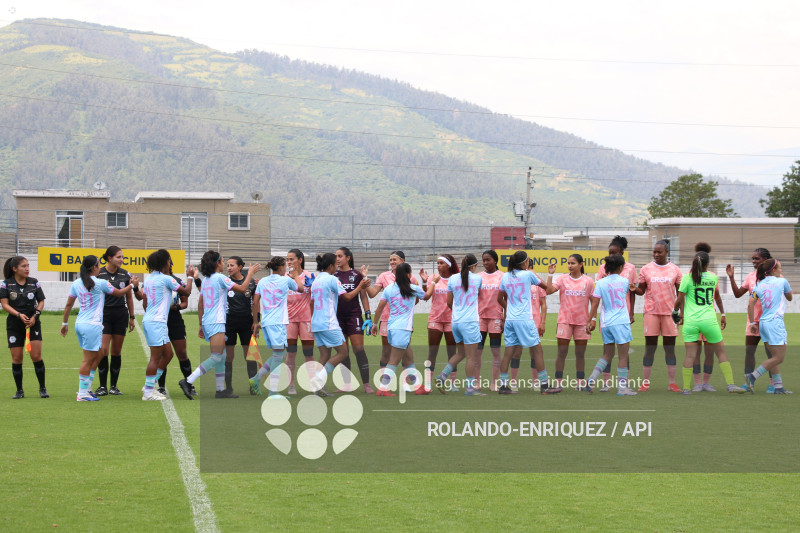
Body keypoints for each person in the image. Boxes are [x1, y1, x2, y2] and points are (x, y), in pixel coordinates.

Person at [178, 251, 260, 400]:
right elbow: (242, 289)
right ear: (217, 263)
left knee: (221, 356)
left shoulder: (207, 279)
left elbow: (201, 303)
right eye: (223, 261)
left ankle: (221, 390)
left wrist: (201, 325)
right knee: (216, 357)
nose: (224, 265)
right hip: (217, 321)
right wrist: (251, 273)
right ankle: (188, 381)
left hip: (209, 321)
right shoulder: (220, 278)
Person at [60, 255, 138, 402]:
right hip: (92, 325)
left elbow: (69, 305)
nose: (99, 267)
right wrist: (132, 285)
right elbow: (120, 293)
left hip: (80, 323)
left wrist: (64, 324)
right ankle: (82, 393)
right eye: (98, 265)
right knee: (88, 360)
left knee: (99, 353)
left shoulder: (76, 283)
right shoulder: (101, 283)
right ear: (94, 267)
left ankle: (87, 388)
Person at [673, 251, 745, 395]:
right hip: (709, 321)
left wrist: (675, 313)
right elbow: (716, 296)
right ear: (707, 264)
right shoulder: (713, 277)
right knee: (721, 353)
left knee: (690, 356)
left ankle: (687, 388)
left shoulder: (687, 278)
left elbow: (679, 300)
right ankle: (731, 385)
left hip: (691, 322)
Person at [497, 251, 560, 395]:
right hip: (524, 319)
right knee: (537, 350)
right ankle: (544, 386)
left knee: (508, 353)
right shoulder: (528, 274)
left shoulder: (505, 276)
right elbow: (548, 289)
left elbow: (499, 299)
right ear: (525, 263)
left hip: (510, 320)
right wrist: (550, 274)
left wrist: (509, 308)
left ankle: (503, 386)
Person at [371, 263, 436, 397]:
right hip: (403, 329)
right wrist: (433, 282)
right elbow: (427, 296)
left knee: (409, 359)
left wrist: (374, 324)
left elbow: (379, 307)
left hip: (391, 328)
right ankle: (383, 388)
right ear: (408, 274)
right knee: (394, 360)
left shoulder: (389, 289)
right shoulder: (413, 288)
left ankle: (417, 386)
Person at [309, 253, 370, 395]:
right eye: (335, 264)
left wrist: (314, 319)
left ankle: (317, 387)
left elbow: (311, 303)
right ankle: (318, 379)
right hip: (328, 323)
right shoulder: (332, 279)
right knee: (343, 352)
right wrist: (360, 285)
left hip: (316, 323)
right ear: (331, 266)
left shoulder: (316, 281)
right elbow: (348, 296)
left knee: (324, 354)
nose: (337, 266)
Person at [139, 250, 195, 400]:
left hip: (152, 320)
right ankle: (148, 392)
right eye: (169, 260)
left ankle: (150, 385)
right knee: (155, 358)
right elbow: (187, 292)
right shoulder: (166, 279)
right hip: (157, 321)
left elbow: (143, 299)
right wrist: (190, 275)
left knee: (169, 354)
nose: (170, 263)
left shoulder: (150, 278)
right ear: (165, 262)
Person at [632, 240, 682, 392]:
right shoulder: (646, 269)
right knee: (650, 349)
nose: (656, 254)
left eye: (659, 252)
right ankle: (645, 383)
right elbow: (642, 291)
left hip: (669, 314)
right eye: (654, 252)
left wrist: (680, 313)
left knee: (670, 349)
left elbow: (680, 294)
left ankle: (672, 383)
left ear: (666, 252)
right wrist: (634, 288)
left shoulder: (675, 270)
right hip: (651, 313)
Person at [249, 256, 302, 397]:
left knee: (278, 354)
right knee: (279, 357)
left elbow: (255, 302)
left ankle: (256, 379)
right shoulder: (286, 280)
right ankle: (272, 391)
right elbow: (301, 289)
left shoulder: (263, 281)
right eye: (285, 265)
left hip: (266, 323)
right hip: (278, 323)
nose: (286, 267)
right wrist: (296, 276)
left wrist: (255, 322)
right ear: (280, 267)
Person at [586, 255, 637, 396]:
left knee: (607, 354)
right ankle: (622, 388)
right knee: (623, 356)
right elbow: (634, 291)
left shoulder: (601, 283)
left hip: (606, 323)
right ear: (621, 267)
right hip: (621, 322)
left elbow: (595, 304)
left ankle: (591, 379)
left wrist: (589, 320)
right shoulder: (625, 281)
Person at [726, 248, 776, 392]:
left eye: (757, 258)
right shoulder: (750, 277)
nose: (754, 261)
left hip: (769, 321)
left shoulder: (775, 278)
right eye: (753, 259)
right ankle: (748, 383)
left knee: (771, 353)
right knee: (749, 351)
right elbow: (737, 294)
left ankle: (773, 384)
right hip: (753, 321)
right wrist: (731, 277)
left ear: (765, 260)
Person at [434, 254, 485, 396]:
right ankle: (469, 388)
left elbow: (449, 302)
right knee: (471, 357)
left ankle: (442, 377)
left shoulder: (452, 279)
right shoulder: (477, 279)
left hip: (455, 322)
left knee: (461, 353)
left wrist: (458, 312)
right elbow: (479, 295)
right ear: (474, 266)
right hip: (470, 322)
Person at [363, 251, 419, 378]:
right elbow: (372, 294)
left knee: (405, 352)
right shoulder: (384, 276)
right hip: (386, 320)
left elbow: (416, 300)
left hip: (404, 322)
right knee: (387, 352)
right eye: (391, 260)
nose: (392, 262)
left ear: (403, 261)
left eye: (395, 259)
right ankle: (384, 382)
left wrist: (401, 307)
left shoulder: (412, 278)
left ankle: (407, 384)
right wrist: (365, 280)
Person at [544, 253, 593, 390]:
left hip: (582, 322)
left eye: (573, 263)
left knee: (580, 353)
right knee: (561, 352)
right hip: (564, 321)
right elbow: (548, 291)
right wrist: (550, 274)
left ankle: (580, 383)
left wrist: (592, 319)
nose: (570, 266)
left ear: (581, 264)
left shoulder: (588, 281)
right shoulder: (562, 279)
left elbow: (594, 301)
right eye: (569, 263)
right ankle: (558, 383)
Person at [1, 256, 47, 399]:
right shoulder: (6, 284)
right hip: (15, 324)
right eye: (23, 266)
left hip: (33, 323)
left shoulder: (34, 283)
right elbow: (5, 304)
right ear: (14, 269)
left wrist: (35, 317)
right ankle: (19, 391)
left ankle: (42, 388)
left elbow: (41, 302)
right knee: (17, 358)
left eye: (28, 265)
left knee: (36, 356)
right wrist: (19, 315)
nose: (27, 268)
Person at [745, 259, 792, 394]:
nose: (781, 271)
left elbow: (750, 304)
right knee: (779, 357)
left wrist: (752, 323)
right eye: (780, 268)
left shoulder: (759, 285)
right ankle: (752, 376)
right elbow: (789, 298)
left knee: (773, 356)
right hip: (775, 323)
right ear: (773, 270)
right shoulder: (782, 281)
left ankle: (778, 387)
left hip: (763, 323)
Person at [95, 246, 135, 396]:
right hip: (104, 314)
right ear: (110, 258)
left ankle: (113, 386)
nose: (122, 260)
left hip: (120, 314)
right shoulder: (99, 274)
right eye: (119, 257)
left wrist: (132, 316)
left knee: (116, 351)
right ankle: (102, 386)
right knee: (104, 350)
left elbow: (129, 297)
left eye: (123, 257)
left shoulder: (125, 274)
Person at [334, 247, 374, 394]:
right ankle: (347, 384)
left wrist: (368, 317)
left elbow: (363, 297)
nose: (337, 259)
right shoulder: (333, 275)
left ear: (348, 258)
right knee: (343, 351)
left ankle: (366, 384)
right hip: (337, 317)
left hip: (354, 316)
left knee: (358, 349)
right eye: (336, 256)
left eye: (340, 256)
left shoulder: (357, 275)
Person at [420, 255, 459, 387]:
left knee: (452, 353)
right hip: (435, 319)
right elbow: (426, 296)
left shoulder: (455, 279)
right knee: (432, 352)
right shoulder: (433, 278)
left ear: (448, 265)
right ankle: (428, 383)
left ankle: (452, 383)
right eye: (438, 263)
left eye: (441, 263)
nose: (438, 265)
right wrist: (425, 282)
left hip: (451, 320)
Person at [224, 256, 258, 395]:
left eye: (232, 265)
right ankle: (228, 388)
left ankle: (253, 386)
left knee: (250, 355)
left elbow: (255, 303)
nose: (229, 268)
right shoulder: (225, 281)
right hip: (229, 323)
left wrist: (256, 321)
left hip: (247, 323)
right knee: (228, 356)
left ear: (240, 267)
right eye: (227, 265)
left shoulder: (251, 283)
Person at [285, 249, 315, 395]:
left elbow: (313, 295)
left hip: (306, 320)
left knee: (308, 353)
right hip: (289, 321)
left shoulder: (310, 276)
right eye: (287, 259)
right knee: (291, 353)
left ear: (300, 260)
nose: (289, 262)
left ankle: (312, 384)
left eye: (292, 259)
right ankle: (291, 385)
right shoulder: (284, 277)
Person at [477, 250, 504, 391]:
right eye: (484, 260)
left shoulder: (502, 277)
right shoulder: (478, 277)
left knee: (496, 352)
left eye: (488, 260)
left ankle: (494, 382)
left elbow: (506, 298)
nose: (486, 263)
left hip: (496, 318)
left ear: (495, 260)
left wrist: (504, 316)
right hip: (480, 318)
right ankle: (476, 382)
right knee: (477, 352)